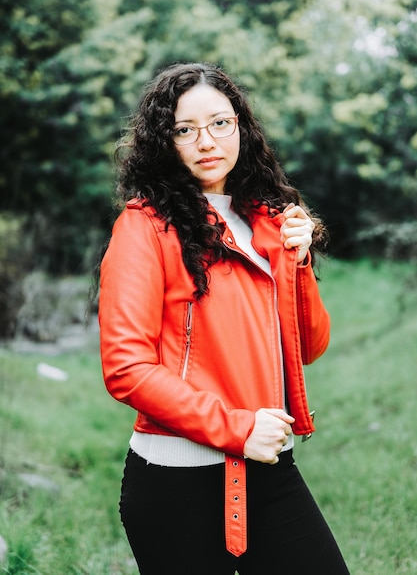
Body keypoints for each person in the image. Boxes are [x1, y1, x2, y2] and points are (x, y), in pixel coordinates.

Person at [98, 62, 350, 574]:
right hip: (177, 481)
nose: (206, 141)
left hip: (267, 467)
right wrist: (236, 427)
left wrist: (297, 264)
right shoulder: (143, 227)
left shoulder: (265, 216)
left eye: (219, 123)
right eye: (184, 129)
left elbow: (307, 347)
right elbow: (127, 367)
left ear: (240, 125)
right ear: (164, 141)